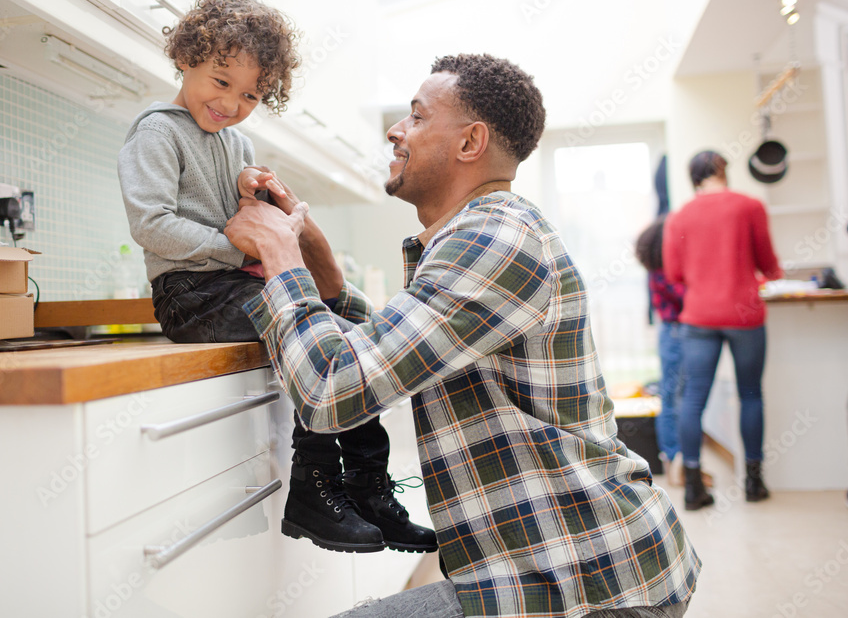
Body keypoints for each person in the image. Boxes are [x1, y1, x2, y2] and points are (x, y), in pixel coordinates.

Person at [224, 54, 700, 618]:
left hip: (585, 583)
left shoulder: (493, 237)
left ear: (470, 142)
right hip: (562, 570)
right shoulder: (485, 230)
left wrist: (279, 252)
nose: (395, 131)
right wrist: (319, 266)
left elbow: (332, 389)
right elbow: (399, 346)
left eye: (417, 116)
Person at [116, 0, 435, 555]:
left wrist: (251, 193)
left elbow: (241, 217)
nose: (231, 103)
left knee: (348, 345)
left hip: (234, 286)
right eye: (221, 81)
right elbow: (151, 224)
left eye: (250, 95)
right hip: (190, 295)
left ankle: (367, 490)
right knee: (327, 343)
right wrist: (236, 247)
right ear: (185, 58)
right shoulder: (157, 132)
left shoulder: (236, 142)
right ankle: (314, 488)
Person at [663, 151, 783, 511]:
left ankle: (693, 487)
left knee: (692, 399)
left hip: (699, 317)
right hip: (744, 316)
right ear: (722, 170)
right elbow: (769, 264)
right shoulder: (749, 206)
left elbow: (673, 273)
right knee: (751, 394)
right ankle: (754, 482)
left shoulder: (679, 216)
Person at [635, 217, 687, 486]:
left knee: (672, 397)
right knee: (676, 399)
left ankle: (674, 460)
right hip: (678, 331)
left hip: (671, 332)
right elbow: (685, 297)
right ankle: (677, 461)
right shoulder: (667, 271)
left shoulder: (656, 269)